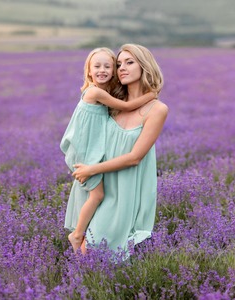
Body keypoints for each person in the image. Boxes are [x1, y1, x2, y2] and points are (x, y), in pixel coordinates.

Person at [70, 44, 168, 258]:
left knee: (96, 252)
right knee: (89, 254)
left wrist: (92, 169)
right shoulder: (111, 102)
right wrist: (88, 169)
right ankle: (78, 288)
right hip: (99, 182)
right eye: (119, 64)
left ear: (144, 66)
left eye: (129, 62)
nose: (121, 68)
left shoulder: (157, 109)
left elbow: (134, 158)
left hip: (124, 190)